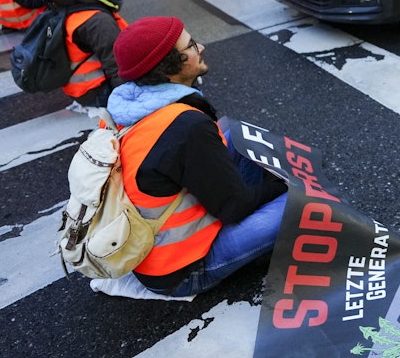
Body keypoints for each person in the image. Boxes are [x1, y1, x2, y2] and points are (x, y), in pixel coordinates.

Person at [107, 16, 288, 297]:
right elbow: (235, 208)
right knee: (305, 200)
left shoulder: (130, 105)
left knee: (231, 134)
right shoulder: (187, 127)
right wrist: (281, 185)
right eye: (191, 45)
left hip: (143, 246)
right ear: (172, 66)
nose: (201, 47)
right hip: (181, 270)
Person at [46, 0, 129, 108]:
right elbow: (117, 66)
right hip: (96, 91)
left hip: (79, 88)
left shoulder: (73, 0)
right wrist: (128, 104)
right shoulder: (98, 20)